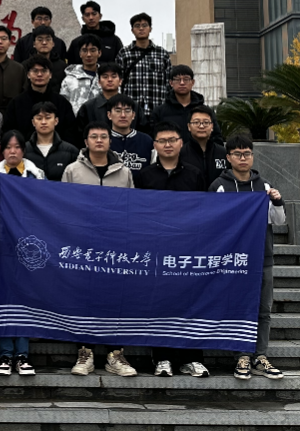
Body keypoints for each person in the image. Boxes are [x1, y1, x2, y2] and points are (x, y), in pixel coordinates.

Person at [61, 121, 137, 378]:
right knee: (84, 298)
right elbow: (64, 207)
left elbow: (131, 208)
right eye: (94, 136)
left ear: (110, 140)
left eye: (103, 136)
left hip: (115, 246)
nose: (99, 140)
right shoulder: (72, 170)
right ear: (86, 142)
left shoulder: (124, 172)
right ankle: (86, 353)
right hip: (83, 245)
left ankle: (115, 354)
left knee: (115, 299)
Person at [209, 134, 286, 382]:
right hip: (234, 261)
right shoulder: (219, 186)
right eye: (237, 154)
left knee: (263, 309)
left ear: (252, 156)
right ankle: (242, 356)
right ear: (228, 158)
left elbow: (279, 221)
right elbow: (213, 222)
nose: (243, 158)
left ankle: (260, 355)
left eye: (247, 154)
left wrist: (277, 201)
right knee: (238, 307)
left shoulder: (264, 186)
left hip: (262, 257)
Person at [134, 122, 207, 378]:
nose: (167, 145)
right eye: (162, 141)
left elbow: (204, 211)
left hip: (187, 249)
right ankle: (162, 358)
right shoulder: (144, 176)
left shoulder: (195, 175)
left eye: (172, 140)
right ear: (154, 145)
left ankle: (192, 358)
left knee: (191, 303)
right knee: (159, 304)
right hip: (155, 250)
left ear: (181, 143)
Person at [0, 129, 42, 377]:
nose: (12, 151)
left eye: (17, 147)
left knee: (24, 298)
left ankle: (22, 355)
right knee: (3, 298)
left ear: (23, 150)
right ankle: (5, 354)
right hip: (2, 246)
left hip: (29, 246)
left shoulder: (35, 175)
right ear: (2, 151)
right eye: (8, 147)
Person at [4, 55, 79, 147]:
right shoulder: (16, 104)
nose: (39, 74)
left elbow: (70, 133)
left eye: (44, 71)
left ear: (50, 74)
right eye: (35, 71)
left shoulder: (62, 103)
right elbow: (10, 133)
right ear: (28, 74)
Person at [115, 12, 173, 122]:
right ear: (132, 30)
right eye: (137, 26)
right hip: (131, 112)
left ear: (150, 28)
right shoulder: (124, 53)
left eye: (144, 25)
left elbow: (169, 83)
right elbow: (118, 82)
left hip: (158, 110)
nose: (141, 28)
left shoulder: (162, 54)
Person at [152, 65, 223, 144]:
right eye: (178, 80)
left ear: (192, 82)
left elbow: (217, 138)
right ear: (171, 83)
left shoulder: (205, 111)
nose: (182, 83)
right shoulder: (159, 111)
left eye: (186, 79)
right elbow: (153, 138)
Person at [105, 94, 154, 182]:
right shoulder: (102, 140)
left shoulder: (146, 141)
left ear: (133, 115)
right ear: (109, 115)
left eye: (127, 111)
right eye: (118, 111)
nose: (123, 115)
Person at [25, 101, 78, 182]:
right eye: (39, 118)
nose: (43, 122)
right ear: (33, 122)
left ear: (56, 121)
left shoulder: (71, 152)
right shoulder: (24, 150)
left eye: (48, 117)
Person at [180, 105, 228, 188]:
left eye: (206, 122)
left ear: (212, 126)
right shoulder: (181, 153)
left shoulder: (223, 152)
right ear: (189, 127)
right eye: (196, 122)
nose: (201, 126)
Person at [75, 63, 124, 134]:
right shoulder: (88, 107)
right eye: (105, 77)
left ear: (120, 81)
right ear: (99, 82)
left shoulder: (132, 106)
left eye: (113, 76)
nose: (110, 80)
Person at [60, 35, 102, 115]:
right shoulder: (70, 79)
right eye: (84, 50)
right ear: (80, 53)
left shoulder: (106, 78)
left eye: (93, 50)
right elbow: (63, 104)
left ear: (99, 53)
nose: (89, 54)